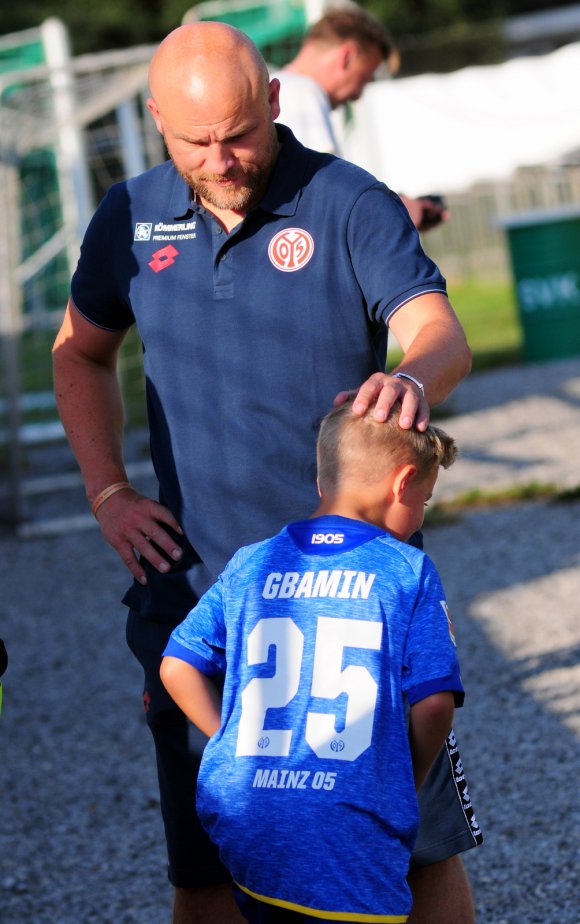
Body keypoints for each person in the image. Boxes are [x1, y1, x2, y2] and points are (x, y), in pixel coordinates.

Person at [51, 21, 475, 924]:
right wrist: (111, 494)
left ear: (276, 100)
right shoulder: (128, 215)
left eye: (240, 132)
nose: (222, 156)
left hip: (353, 596)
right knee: (205, 869)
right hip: (205, 596)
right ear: (156, 120)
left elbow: (442, 334)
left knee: (415, 848)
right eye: (195, 140)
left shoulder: (348, 201)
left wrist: (409, 377)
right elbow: (78, 356)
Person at [160, 397, 465, 923]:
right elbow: (435, 703)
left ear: (324, 481)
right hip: (346, 820)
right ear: (403, 483)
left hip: (245, 811)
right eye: (426, 499)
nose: (420, 513)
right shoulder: (407, 569)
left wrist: (231, 744)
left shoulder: (251, 561)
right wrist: (401, 779)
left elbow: (176, 665)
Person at [275, 5, 449, 231]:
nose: (357, 96)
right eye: (364, 78)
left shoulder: (278, 88)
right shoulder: (302, 92)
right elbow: (327, 196)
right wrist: (397, 209)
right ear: (347, 56)